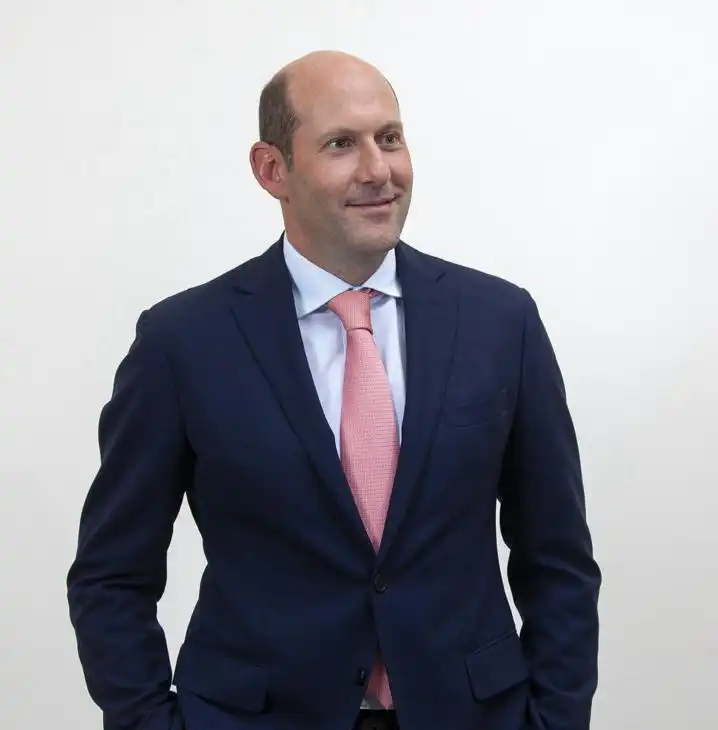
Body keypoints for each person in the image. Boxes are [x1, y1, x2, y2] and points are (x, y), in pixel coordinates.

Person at [67, 50, 601, 730]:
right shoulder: (182, 342)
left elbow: (558, 560)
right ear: (272, 170)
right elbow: (111, 575)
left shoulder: (500, 322)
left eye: (390, 138)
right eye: (341, 144)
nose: (378, 170)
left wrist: (555, 719)